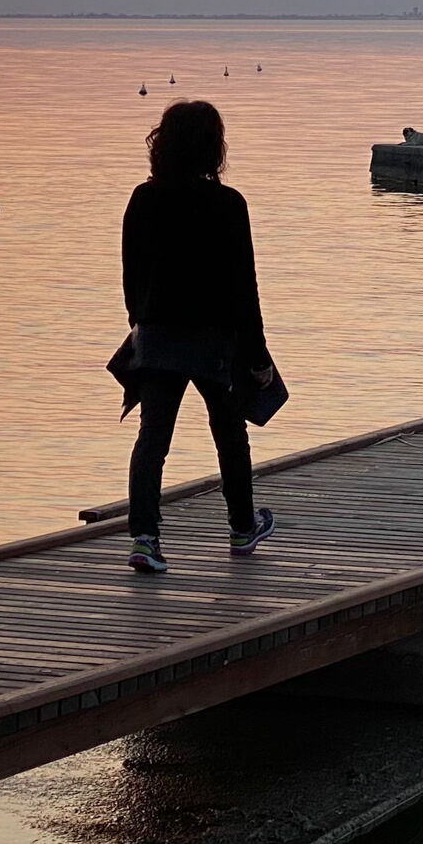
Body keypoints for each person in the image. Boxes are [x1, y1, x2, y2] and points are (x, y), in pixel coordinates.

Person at [119, 100, 277, 573]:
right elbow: (243, 288)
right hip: (213, 341)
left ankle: (144, 538)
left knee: (153, 438)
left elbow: (130, 275)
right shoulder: (228, 205)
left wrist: (140, 321)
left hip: (158, 336)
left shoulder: (143, 200)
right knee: (230, 434)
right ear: (214, 147)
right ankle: (242, 528)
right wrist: (258, 355)